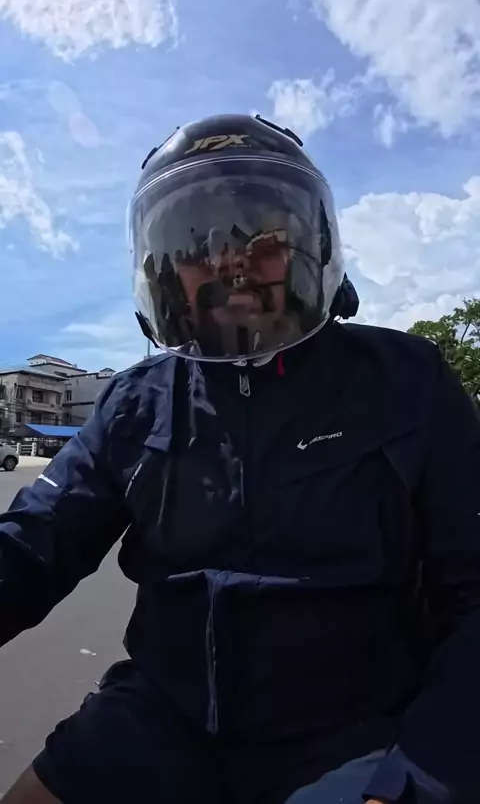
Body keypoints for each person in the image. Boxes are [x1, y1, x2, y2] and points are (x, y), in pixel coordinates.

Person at [1, 114, 480, 804]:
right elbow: (33, 542)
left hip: (352, 730)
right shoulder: (136, 400)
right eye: (197, 240)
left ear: (312, 247)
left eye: (263, 237)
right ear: (164, 268)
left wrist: (424, 774)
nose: (229, 260)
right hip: (164, 715)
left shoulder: (406, 380)